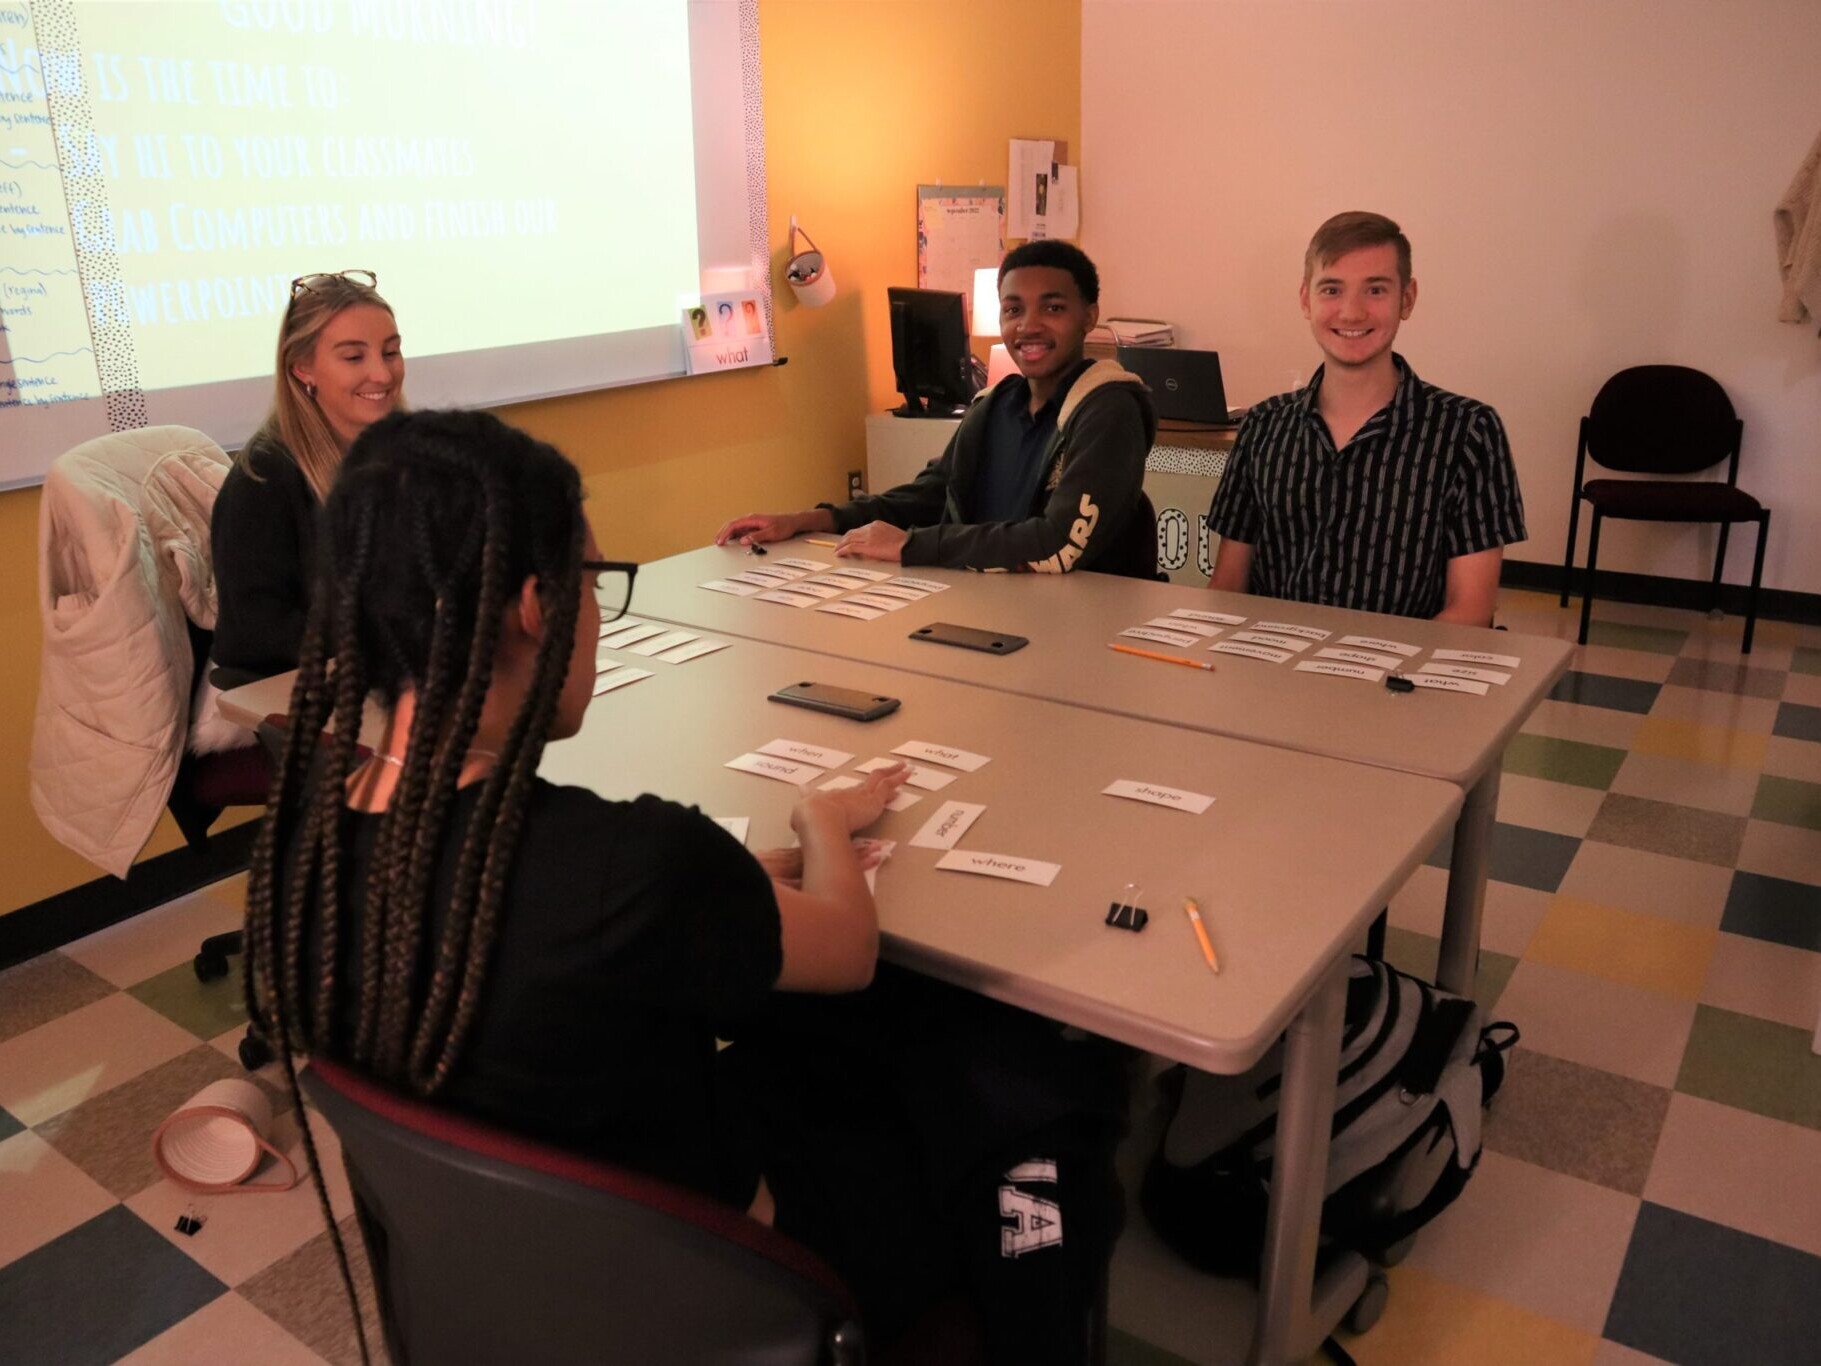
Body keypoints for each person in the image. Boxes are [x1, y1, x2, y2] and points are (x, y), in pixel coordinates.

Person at [245, 409, 1124, 1364]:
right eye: (594, 583)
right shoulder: (633, 866)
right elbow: (846, 949)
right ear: (537, 606)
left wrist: (721, 890)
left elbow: (533, 928)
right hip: (734, 1285)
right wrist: (821, 821)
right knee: (1023, 1072)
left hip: (510, 1293)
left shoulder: (305, 853)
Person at [715, 239, 1159, 577]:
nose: (1029, 326)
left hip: (1081, 627)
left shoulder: (1108, 410)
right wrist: (810, 520)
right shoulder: (994, 405)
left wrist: (914, 546)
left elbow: (1056, 542)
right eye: (1013, 309)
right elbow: (931, 495)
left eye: (1054, 307)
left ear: (1089, 316)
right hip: (993, 611)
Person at [1206, 213, 1526, 625]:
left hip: (1399, 680)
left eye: (1375, 289)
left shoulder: (1469, 432)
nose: (1352, 312)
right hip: (1270, 673)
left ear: (1406, 299)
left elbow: (1471, 610)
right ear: (1306, 299)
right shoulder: (1263, 427)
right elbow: (1228, 587)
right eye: (1332, 289)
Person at [210, 270, 404, 682]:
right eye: (354, 357)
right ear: (302, 368)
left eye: (390, 352)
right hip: (302, 692)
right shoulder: (264, 478)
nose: (383, 375)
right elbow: (253, 633)